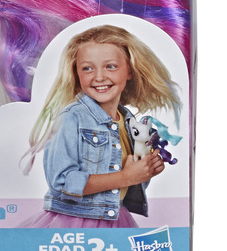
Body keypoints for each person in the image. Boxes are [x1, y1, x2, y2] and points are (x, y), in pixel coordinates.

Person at [22, 24, 181, 228]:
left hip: (115, 218)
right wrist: (125, 177)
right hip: (76, 222)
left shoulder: (128, 121)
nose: (99, 77)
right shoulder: (71, 118)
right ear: (76, 73)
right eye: (87, 68)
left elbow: (120, 183)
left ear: (130, 70)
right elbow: (62, 182)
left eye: (110, 66)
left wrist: (144, 172)